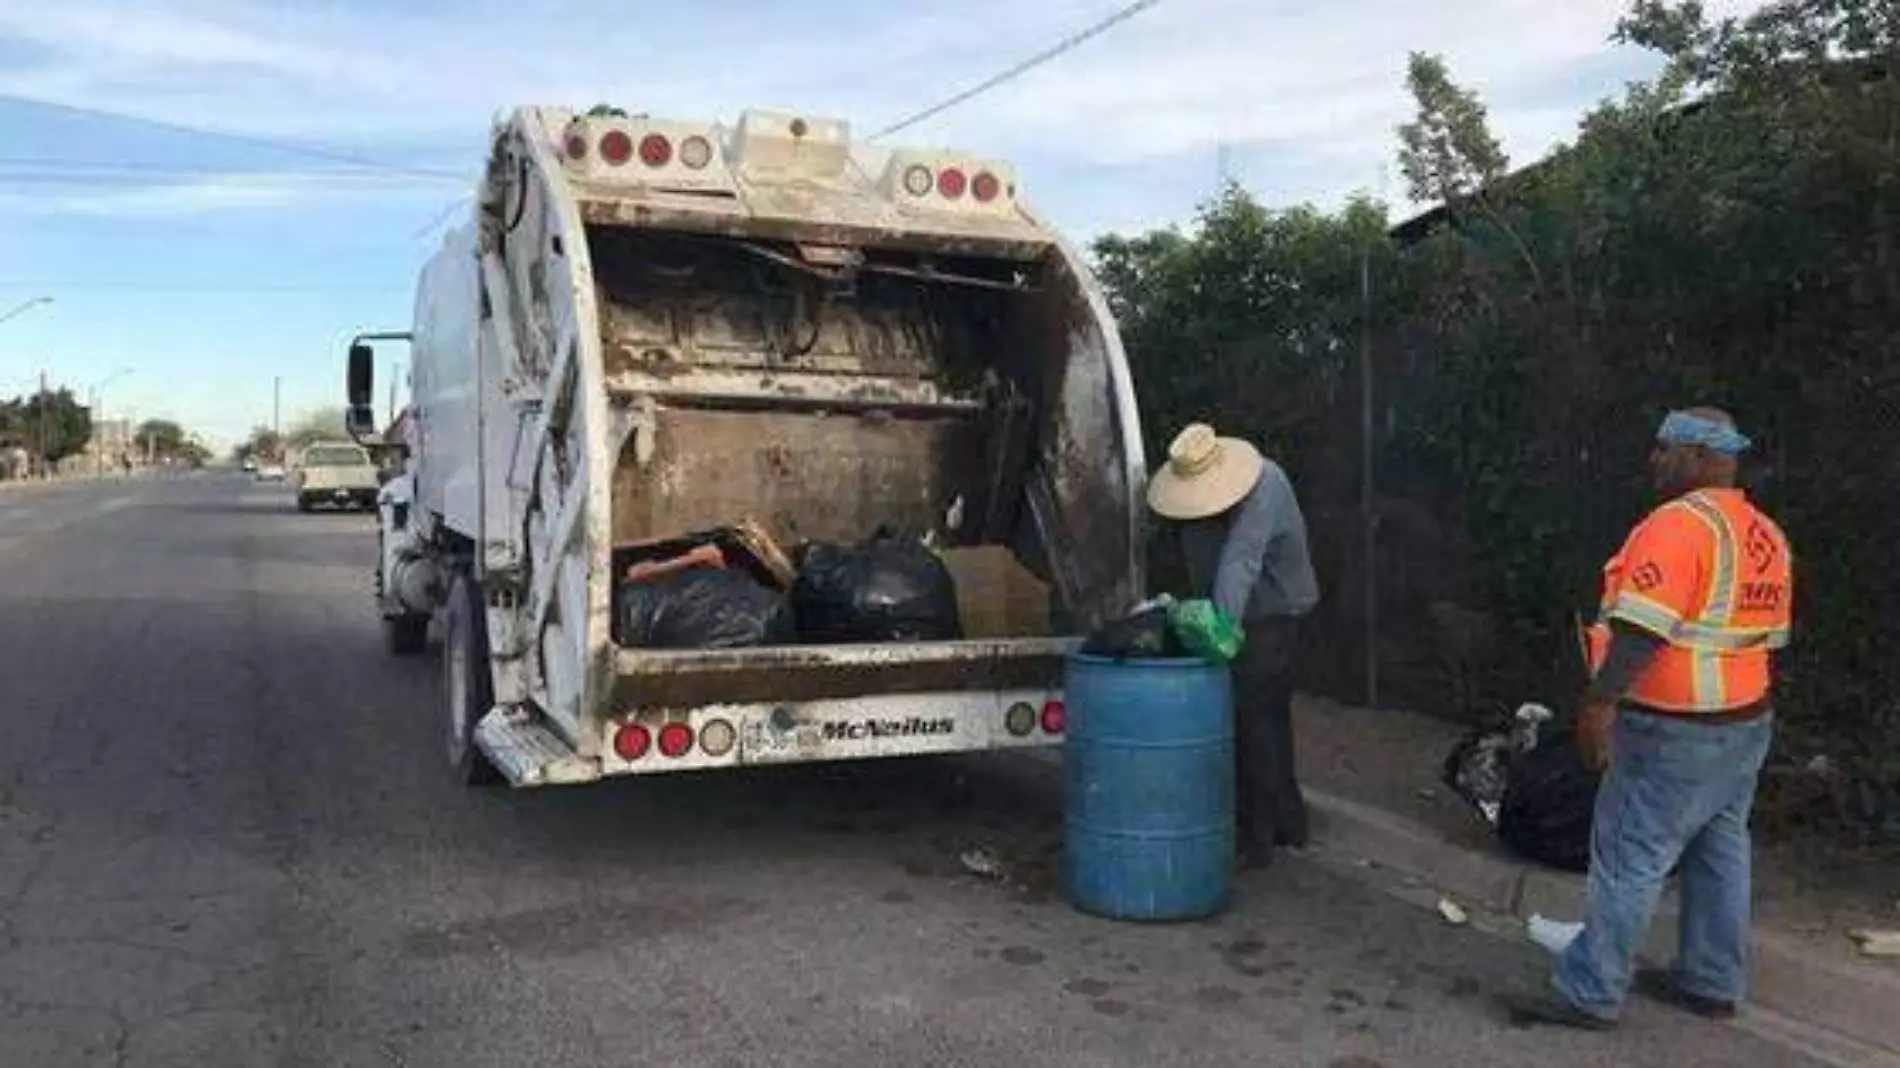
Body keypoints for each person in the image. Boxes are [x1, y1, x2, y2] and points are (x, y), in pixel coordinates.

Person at [1508, 407, 1794, 1030]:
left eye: (1665, 449)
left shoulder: (1678, 526)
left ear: (1700, 457)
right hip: (1745, 722)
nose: (1654, 459)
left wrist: (1600, 703)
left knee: (1629, 855)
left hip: (1674, 725)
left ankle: (1590, 990)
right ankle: (1711, 980)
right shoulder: (1763, 533)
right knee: (1721, 849)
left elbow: (1641, 631)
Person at [1146, 422, 1321, 867]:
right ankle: (1288, 824)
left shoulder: (1264, 488)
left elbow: (1238, 563)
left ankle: (1254, 838)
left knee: (1252, 723)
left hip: (1276, 612)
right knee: (1271, 718)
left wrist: (1216, 631)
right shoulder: (1219, 499)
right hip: (1256, 613)